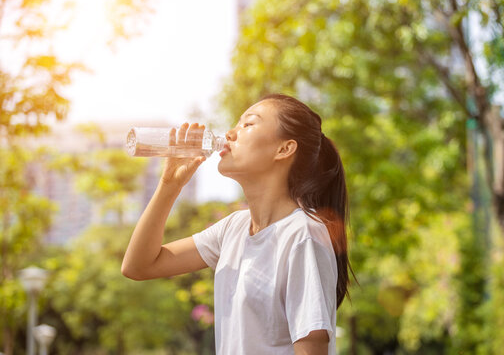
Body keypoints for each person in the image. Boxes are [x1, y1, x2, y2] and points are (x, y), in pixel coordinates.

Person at [122, 93, 353, 355]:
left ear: (284, 149)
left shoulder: (303, 235)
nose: (230, 133)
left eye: (248, 124)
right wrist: (169, 186)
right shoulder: (233, 228)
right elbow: (138, 266)